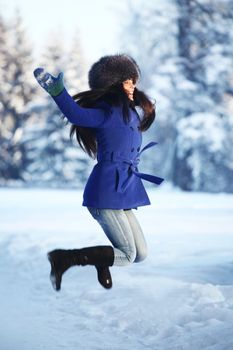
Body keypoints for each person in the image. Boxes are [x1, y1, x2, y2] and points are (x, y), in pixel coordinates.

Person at [33, 53, 164, 291]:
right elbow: (76, 114)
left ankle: (101, 261)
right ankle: (64, 259)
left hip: (123, 187)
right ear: (114, 84)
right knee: (127, 255)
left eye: (134, 81)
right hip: (106, 190)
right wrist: (59, 93)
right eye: (128, 81)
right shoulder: (106, 113)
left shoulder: (130, 112)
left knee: (141, 254)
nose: (133, 86)